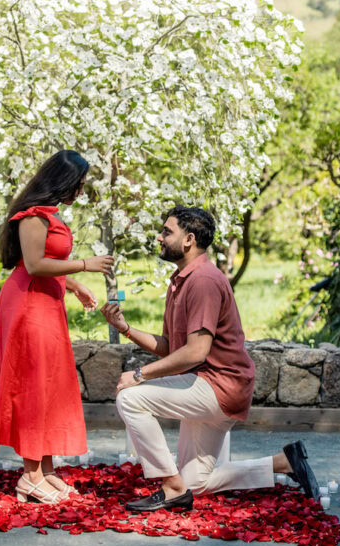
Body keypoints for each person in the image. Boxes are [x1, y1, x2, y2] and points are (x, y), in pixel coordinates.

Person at [102, 206, 319, 513]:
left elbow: (195, 352)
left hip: (217, 386)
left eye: (167, 231)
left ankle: (171, 486)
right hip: (203, 384)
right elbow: (171, 346)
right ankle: (284, 463)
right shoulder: (180, 280)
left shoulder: (203, 280)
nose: (159, 237)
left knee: (130, 398)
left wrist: (139, 375)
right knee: (196, 484)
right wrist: (125, 328)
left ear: (189, 239)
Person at [0, 149, 114, 504]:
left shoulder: (48, 215)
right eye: (80, 182)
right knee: (33, 383)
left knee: (49, 382)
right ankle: (29, 477)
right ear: (64, 180)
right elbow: (34, 264)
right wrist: (85, 265)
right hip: (28, 304)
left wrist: (74, 287)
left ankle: (45, 469)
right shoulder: (32, 217)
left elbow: (50, 262)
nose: (81, 189)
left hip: (46, 301)